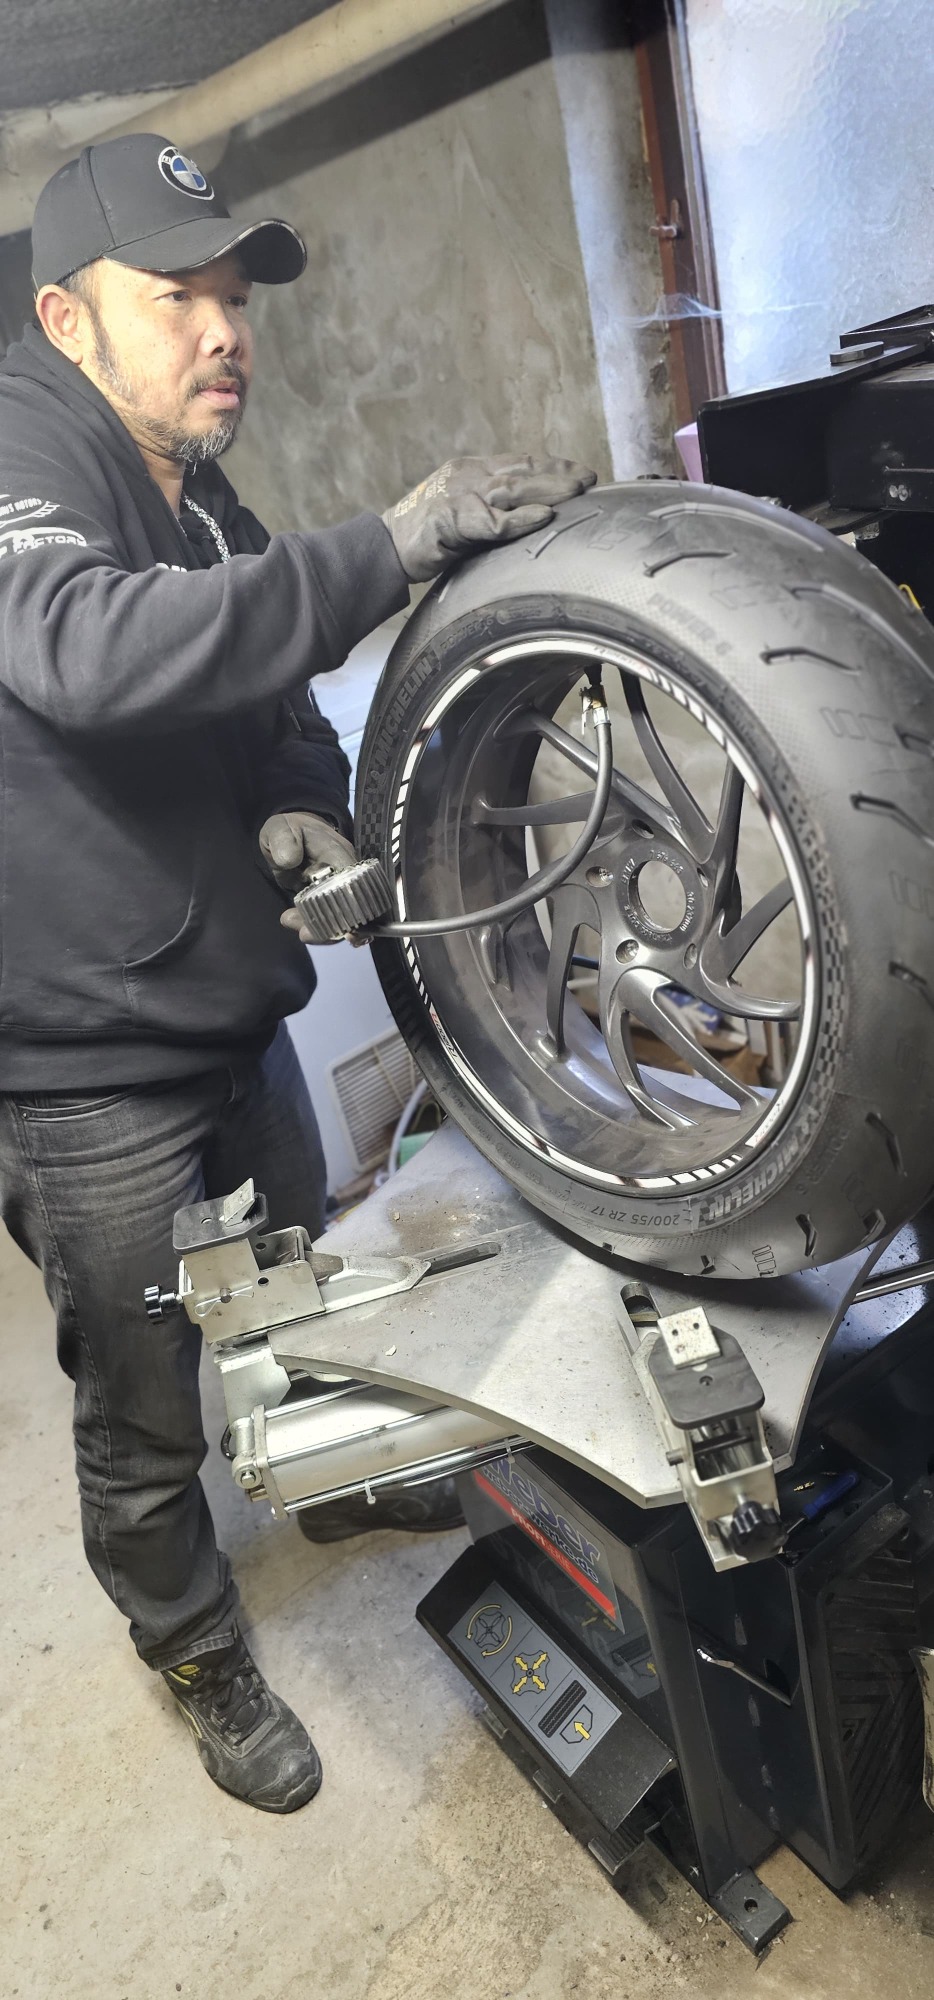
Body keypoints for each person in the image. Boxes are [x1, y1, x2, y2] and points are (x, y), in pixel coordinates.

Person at [0, 132, 595, 1814]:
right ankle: (188, 1637)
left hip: (222, 1005)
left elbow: (275, 697)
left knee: (287, 1281)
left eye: (235, 297)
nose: (224, 332)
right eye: (173, 299)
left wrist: (293, 801)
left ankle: (329, 1479)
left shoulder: (205, 496)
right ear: (64, 317)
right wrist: (385, 543)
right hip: (86, 1069)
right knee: (142, 1393)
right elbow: (82, 651)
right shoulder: (21, 447)